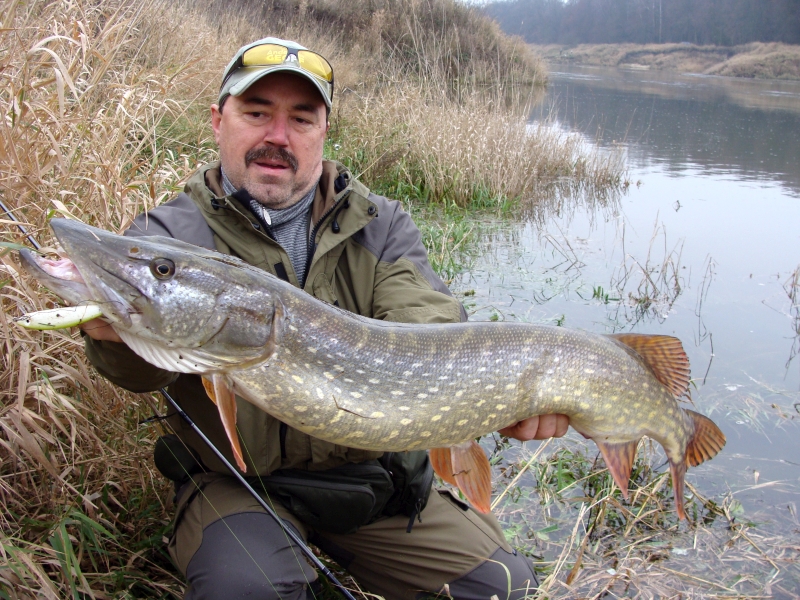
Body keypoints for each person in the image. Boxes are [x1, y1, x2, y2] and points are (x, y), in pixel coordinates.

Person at [80, 37, 569, 600]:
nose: (278, 136)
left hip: (372, 484)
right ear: (218, 120)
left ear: (323, 131)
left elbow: (429, 332)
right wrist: (116, 335)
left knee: (505, 589)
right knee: (248, 591)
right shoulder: (169, 239)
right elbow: (140, 373)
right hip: (238, 485)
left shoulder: (380, 225)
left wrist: (498, 397)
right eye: (256, 112)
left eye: (301, 118)